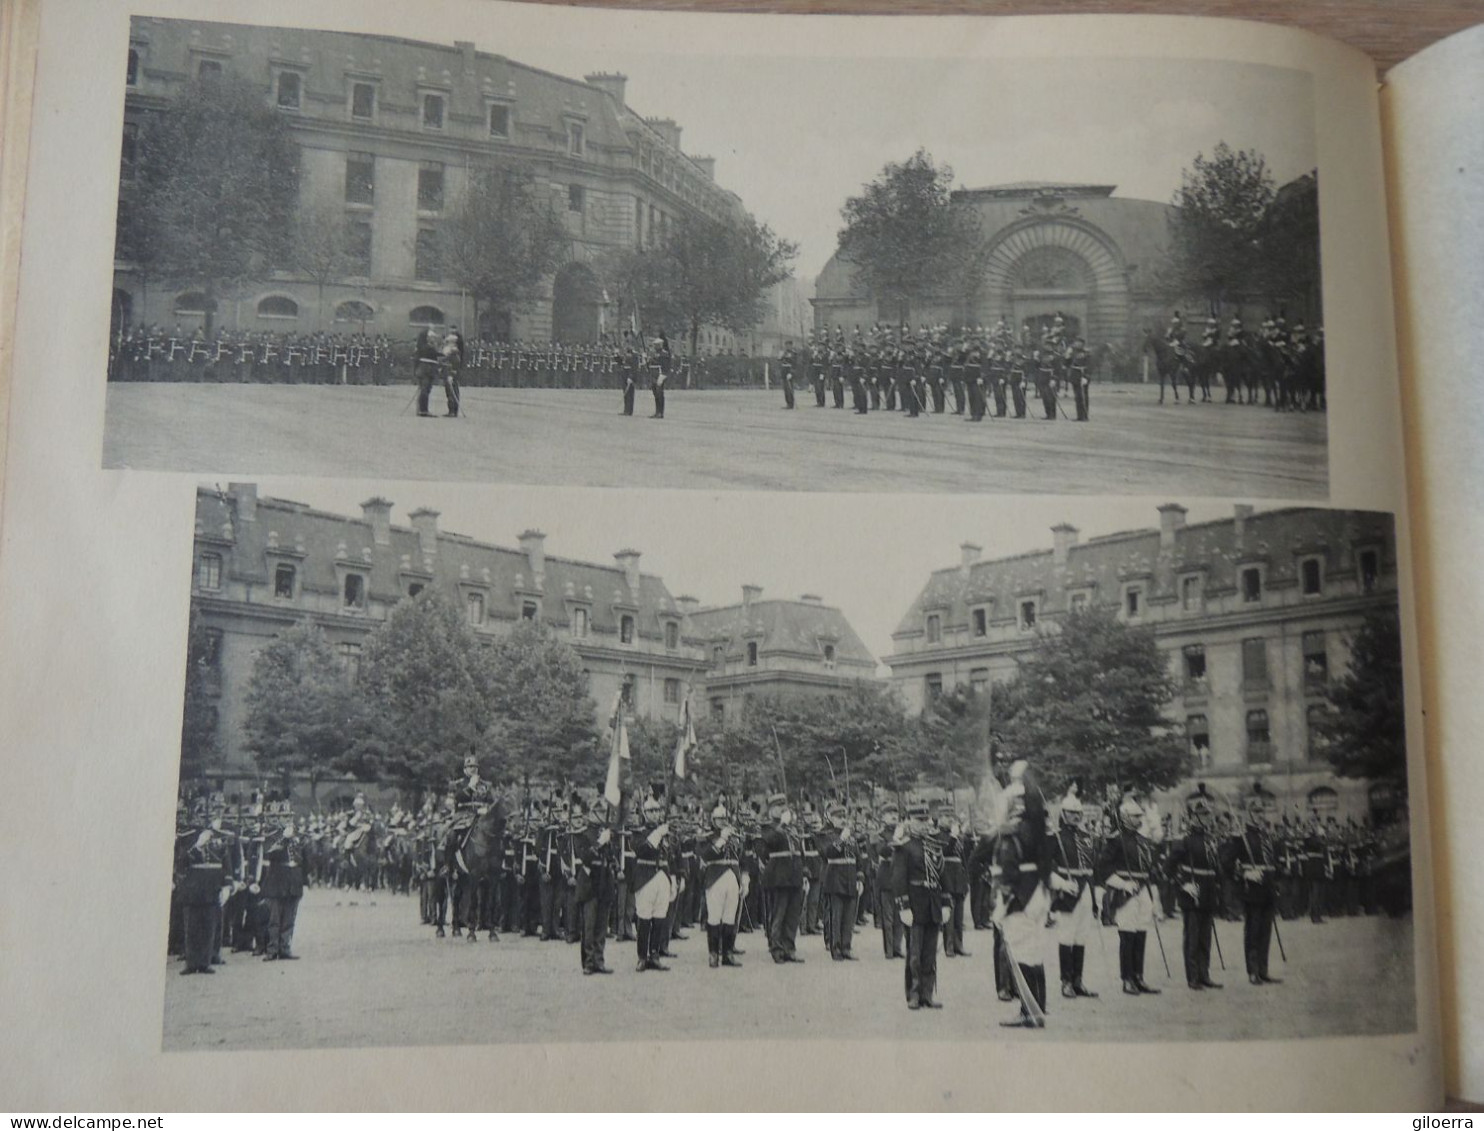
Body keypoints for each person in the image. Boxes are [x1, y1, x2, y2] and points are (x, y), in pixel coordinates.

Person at [1097, 791, 1162, 996]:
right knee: (1127, 933)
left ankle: (1138, 976)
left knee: (1141, 931)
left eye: (1139, 816)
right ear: (1125, 817)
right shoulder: (1115, 841)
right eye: (1135, 816)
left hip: (1143, 889)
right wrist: (1122, 884)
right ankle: (1126, 979)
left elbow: (1148, 866)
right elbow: (1101, 868)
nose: (1138, 819)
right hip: (1124, 891)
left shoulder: (1143, 840)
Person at [1166, 785, 1226, 990]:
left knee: (1205, 937)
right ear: (1193, 818)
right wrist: (1183, 884)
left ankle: (1204, 974)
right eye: (1203, 815)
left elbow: (1216, 866)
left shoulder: (1211, 839)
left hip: (1208, 891)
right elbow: (1169, 868)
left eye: (1208, 815)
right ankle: (1192, 977)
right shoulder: (1183, 840)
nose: (1208, 818)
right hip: (1192, 892)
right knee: (1192, 937)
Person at [890, 802, 943, 1010]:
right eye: (920, 820)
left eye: (926, 819)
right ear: (910, 822)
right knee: (914, 953)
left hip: (932, 902)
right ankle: (913, 994)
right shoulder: (904, 846)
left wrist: (945, 902)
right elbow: (898, 878)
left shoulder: (933, 844)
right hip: (915, 903)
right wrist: (903, 905)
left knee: (930, 953)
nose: (925, 824)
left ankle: (927, 994)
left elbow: (941, 874)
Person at [1050, 785, 1099, 998]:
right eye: (1071, 812)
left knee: (1081, 936)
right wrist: (1061, 883)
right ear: (1063, 813)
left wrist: (1097, 897)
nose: (1075, 816)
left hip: (1086, 890)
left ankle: (1078, 980)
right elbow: (1047, 867)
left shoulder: (1087, 837)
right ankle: (1066, 981)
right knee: (1066, 936)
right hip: (1067, 891)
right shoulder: (1055, 837)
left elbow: (1091, 868)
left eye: (1078, 813)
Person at [1232, 790, 1283, 986]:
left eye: (1262, 811)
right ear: (1249, 813)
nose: (1261, 815)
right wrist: (1244, 873)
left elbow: (1274, 862)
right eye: (1256, 812)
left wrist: (1276, 880)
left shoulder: (1267, 836)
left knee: (1266, 931)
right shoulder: (1241, 837)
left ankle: (1263, 969)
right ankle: (1252, 971)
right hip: (1252, 890)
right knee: (1253, 931)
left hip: (1268, 889)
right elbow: (1227, 863)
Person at [569, 800, 615, 975]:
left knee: (601, 926)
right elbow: (585, 856)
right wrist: (599, 844)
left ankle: (599, 960)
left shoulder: (607, 834)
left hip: (604, 882)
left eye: (604, 812)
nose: (604, 815)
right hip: (589, 884)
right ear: (592, 814)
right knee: (589, 926)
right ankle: (588, 962)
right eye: (600, 812)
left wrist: (610, 843)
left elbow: (612, 857)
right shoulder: (583, 834)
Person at [697, 804, 744, 968]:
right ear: (713, 820)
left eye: (724, 818)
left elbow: (739, 859)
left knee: (730, 917)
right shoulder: (707, 836)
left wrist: (742, 879)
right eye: (719, 819)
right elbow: (706, 855)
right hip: (715, 877)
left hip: (732, 878)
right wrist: (722, 839)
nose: (722, 822)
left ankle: (728, 953)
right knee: (714, 917)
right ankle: (713, 953)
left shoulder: (734, 835)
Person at [760, 795, 805, 963]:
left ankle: (789, 947)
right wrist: (783, 824)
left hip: (794, 875)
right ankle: (776, 948)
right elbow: (769, 844)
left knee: (793, 915)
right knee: (779, 914)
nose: (783, 810)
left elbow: (800, 851)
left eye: (784, 806)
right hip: (778, 876)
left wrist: (804, 873)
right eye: (779, 807)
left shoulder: (792, 828)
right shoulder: (768, 827)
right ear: (771, 810)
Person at [631, 797, 672, 972]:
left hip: (663, 876)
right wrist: (657, 834)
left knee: (660, 917)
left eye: (657, 811)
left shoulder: (667, 831)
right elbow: (642, 850)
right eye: (651, 811)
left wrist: (675, 878)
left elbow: (673, 855)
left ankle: (654, 954)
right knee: (644, 917)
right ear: (645, 813)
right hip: (645, 876)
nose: (655, 814)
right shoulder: (638, 832)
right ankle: (642, 956)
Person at [819, 807, 862, 961]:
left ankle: (846, 947)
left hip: (850, 878)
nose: (842, 819)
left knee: (849, 917)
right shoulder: (826, 835)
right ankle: (835, 948)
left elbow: (857, 858)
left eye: (844, 816)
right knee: (836, 917)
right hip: (835, 878)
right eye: (838, 817)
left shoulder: (850, 836)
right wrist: (841, 839)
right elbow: (827, 853)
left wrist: (859, 878)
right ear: (831, 818)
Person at [262, 817, 306, 961]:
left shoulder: (297, 838)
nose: (288, 822)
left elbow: (304, 861)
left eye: (289, 818)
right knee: (274, 919)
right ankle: (272, 949)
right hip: (277, 881)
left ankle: (285, 948)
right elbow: (270, 853)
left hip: (293, 882)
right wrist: (284, 839)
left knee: (289, 919)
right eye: (284, 817)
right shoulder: (272, 836)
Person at [649, 333, 671, 419]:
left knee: (660, 394)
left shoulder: (664, 354)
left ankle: (661, 412)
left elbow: (665, 367)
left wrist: (662, 376)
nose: (655, 346)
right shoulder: (654, 353)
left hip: (659, 375)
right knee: (655, 394)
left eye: (656, 345)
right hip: (653, 375)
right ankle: (657, 411)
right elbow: (650, 364)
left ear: (660, 345)